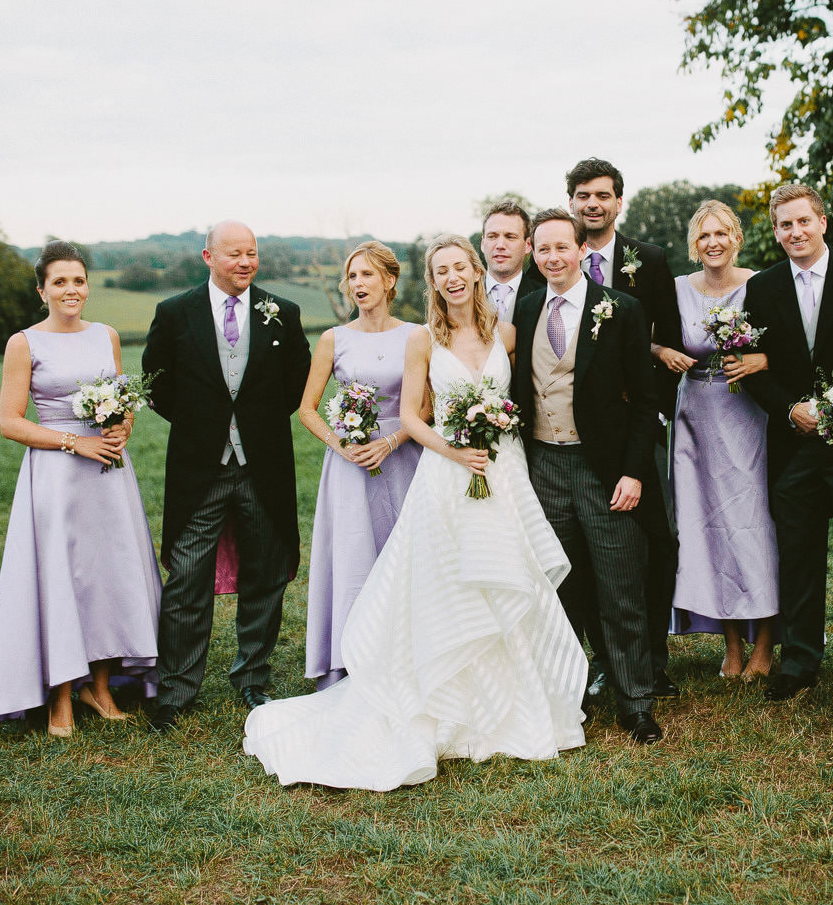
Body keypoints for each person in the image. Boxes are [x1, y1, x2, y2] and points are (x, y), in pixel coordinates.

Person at [243, 235, 587, 789]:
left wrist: (498, 433)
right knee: (447, 583)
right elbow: (412, 414)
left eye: (459, 267)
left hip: (502, 474)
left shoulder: (508, 334)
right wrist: (456, 451)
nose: (451, 277)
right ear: (430, 281)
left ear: (477, 272)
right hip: (447, 474)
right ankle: (444, 701)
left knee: (506, 578)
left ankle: (508, 706)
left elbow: (525, 396)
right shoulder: (425, 340)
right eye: (440, 270)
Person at [0, 241, 160, 736]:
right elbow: (9, 422)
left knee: (107, 574)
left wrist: (122, 429)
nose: (71, 289)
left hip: (108, 472)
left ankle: (98, 688)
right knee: (61, 576)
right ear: (42, 290)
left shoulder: (107, 336)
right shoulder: (25, 343)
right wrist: (72, 444)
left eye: (78, 280)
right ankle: (59, 695)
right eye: (60, 281)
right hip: (55, 476)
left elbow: (121, 403)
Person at [141, 220, 311, 732]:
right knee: (187, 576)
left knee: (265, 573)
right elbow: (156, 385)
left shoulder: (284, 311)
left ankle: (253, 677)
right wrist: (205, 426)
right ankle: (175, 690)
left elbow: (297, 384)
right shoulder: (174, 313)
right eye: (234, 253)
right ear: (207, 257)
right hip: (200, 468)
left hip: (265, 465)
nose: (245, 262)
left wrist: (253, 425)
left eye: (252, 253)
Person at [512, 208, 665, 743]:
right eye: (543, 249)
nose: (553, 257)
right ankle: (564, 694)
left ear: (582, 250)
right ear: (534, 253)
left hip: (604, 471)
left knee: (620, 588)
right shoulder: (526, 309)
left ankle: (636, 703)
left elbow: (647, 404)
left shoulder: (620, 309)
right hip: (542, 466)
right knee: (559, 588)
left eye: (562, 247)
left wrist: (633, 473)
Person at [739, 183, 833, 706]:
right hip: (794, 444)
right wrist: (788, 408)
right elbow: (751, 366)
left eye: (804, 221)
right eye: (785, 225)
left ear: (823, 222)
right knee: (798, 555)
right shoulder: (762, 288)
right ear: (776, 232)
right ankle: (800, 659)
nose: (795, 232)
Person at [567, 157, 683, 700]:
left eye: (603, 195)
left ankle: (652, 661)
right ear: (571, 202)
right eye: (584, 195)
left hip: (637, 427)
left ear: (619, 202)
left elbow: (671, 344)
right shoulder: (553, 260)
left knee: (654, 540)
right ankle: (598, 658)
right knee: (586, 550)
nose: (593, 203)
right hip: (571, 437)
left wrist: (650, 411)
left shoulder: (650, 261)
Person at [657, 200, 779, 679]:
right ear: (694, 243)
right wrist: (663, 350)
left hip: (747, 415)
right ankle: (731, 643)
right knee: (705, 527)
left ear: (736, 238)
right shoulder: (675, 291)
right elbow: (641, 338)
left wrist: (761, 362)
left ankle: (766, 641)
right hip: (694, 417)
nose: (713, 243)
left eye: (722, 233)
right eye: (704, 235)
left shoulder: (761, 285)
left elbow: (786, 348)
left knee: (753, 525)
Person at [298, 242, 423, 690]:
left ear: (390, 281)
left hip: (404, 459)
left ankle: (405, 661)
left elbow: (425, 408)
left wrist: (390, 442)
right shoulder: (335, 338)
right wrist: (340, 444)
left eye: (367, 275)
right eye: (352, 277)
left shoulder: (416, 335)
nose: (358, 285)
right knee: (354, 558)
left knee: (403, 555)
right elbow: (308, 408)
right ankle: (348, 662)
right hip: (349, 468)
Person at [481, 199, 544, 325]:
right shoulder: (464, 295)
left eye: (510, 237)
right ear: (483, 244)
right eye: (492, 236)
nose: (500, 245)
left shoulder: (545, 296)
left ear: (527, 245)